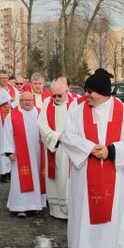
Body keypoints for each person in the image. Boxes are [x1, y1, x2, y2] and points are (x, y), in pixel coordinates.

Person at [63, 69, 124, 248]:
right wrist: (91, 148)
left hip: (114, 178)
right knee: (86, 223)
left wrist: (111, 151)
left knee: (108, 224)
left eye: (91, 92)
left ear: (104, 92)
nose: (87, 95)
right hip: (85, 176)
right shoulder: (78, 112)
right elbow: (68, 136)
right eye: (86, 90)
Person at [2, 91, 46, 218]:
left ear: (33, 100)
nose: (27, 102)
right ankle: (20, 207)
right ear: (19, 101)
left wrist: (44, 138)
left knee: (37, 178)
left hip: (38, 152)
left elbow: (46, 129)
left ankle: (35, 205)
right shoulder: (12, 115)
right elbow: (7, 134)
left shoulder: (39, 112)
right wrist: (10, 151)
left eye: (29, 100)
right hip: (20, 154)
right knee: (20, 179)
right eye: (24, 100)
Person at [37, 79, 76, 220]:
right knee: (55, 178)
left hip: (71, 150)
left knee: (69, 179)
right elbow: (41, 124)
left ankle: (71, 211)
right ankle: (56, 210)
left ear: (68, 91)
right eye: (54, 95)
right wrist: (56, 137)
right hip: (54, 147)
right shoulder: (47, 103)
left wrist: (69, 139)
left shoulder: (75, 103)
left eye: (59, 95)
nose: (56, 99)